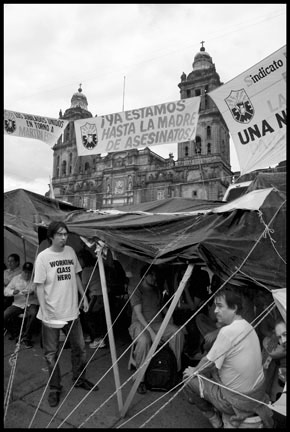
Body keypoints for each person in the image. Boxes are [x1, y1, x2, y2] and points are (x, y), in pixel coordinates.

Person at [183, 284, 273, 428]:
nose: (216, 311)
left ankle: (213, 417)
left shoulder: (228, 332)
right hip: (257, 395)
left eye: (220, 306)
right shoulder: (247, 326)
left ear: (235, 308)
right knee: (214, 368)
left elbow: (207, 361)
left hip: (236, 402)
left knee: (188, 377)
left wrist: (194, 371)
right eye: (215, 306)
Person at [33, 221, 98, 408]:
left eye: (65, 234)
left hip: (72, 311)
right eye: (60, 234)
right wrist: (44, 310)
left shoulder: (70, 252)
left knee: (80, 348)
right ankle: (55, 388)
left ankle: (79, 378)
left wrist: (83, 296)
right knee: (51, 354)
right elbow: (38, 286)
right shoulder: (43, 258)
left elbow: (76, 274)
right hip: (51, 313)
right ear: (51, 236)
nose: (64, 237)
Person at [128, 264, 184, 395]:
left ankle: (174, 372)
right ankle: (139, 380)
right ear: (144, 275)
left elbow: (163, 309)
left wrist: (171, 323)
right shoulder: (137, 289)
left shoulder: (157, 290)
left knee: (178, 333)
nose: (154, 278)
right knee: (144, 340)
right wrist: (152, 333)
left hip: (158, 324)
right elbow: (139, 314)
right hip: (140, 324)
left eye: (155, 275)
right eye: (151, 275)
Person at [77, 249, 107, 349]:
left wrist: (80, 303)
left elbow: (84, 290)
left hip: (96, 297)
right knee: (98, 318)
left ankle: (97, 339)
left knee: (88, 316)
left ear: (83, 260)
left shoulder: (86, 271)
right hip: (103, 296)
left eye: (79, 260)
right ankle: (94, 336)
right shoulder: (96, 268)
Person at [4, 262, 39, 347]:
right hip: (18, 304)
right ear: (22, 271)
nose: (27, 274)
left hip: (31, 303)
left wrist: (33, 293)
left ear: (32, 272)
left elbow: (42, 293)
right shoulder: (16, 278)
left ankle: (26, 337)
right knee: (5, 315)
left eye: (29, 272)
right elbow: (5, 291)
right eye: (25, 272)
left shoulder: (36, 279)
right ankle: (15, 333)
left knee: (33, 314)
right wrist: (13, 292)